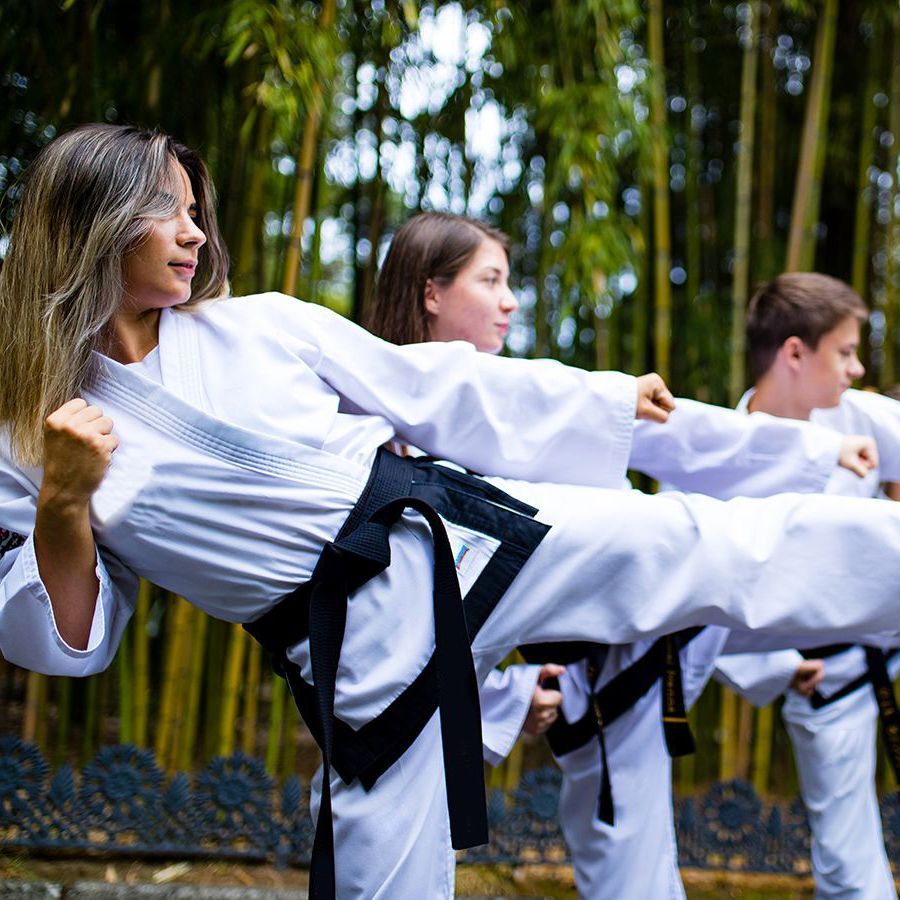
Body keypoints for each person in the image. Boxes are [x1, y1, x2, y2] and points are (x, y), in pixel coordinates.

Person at [4, 128, 900, 900]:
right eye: (170, 209)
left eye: (198, 209)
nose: (196, 232)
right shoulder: (27, 433)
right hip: (351, 653)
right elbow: (68, 644)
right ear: (92, 217)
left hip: (459, 540)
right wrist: (64, 502)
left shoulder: (257, 327)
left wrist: (604, 402)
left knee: (712, 544)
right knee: (381, 879)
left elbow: (439, 387)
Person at [717, 274, 900, 899]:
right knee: (852, 870)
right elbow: (692, 594)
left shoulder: (862, 417)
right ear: (795, 353)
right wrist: (777, 666)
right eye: (845, 352)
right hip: (832, 675)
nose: (857, 367)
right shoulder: (716, 455)